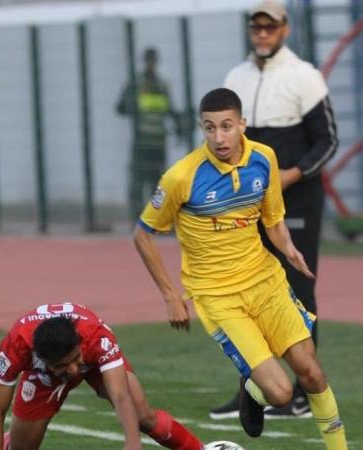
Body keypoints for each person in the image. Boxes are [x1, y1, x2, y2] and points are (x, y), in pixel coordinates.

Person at [133, 88, 346, 449]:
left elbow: (273, 221)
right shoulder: (181, 178)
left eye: (227, 126)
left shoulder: (264, 159)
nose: (219, 137)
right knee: (279, 394)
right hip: (219, 298)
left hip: (267, 281)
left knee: (311, 374)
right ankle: (254, 390)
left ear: (242, 124)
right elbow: (143, 236)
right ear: (202, 129)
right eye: (210, 128)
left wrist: (290, 251)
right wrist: (171, 295)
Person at [212, 0, 338, 420]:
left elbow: (328, 141)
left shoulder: (305, 77)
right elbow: (226, 140)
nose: (262, 34)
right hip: (246, 207)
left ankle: (303, 392)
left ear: (285, 29)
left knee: (297, 291)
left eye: (270, 27)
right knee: (242, 293)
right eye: (256, 28)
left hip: (296, 201)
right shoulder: (237, 77)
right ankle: (252, 390)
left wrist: (290, 175)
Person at [0, 302, 204, 450]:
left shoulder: (96, 337)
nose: (72, 370)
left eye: (74, 358)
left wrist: (132, 441)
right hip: (44, 379)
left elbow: (120, 395)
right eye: (63, 365)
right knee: (22, 447)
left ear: (79, 343)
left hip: (93, 362)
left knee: (142, 415)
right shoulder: (15, 346)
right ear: (39, 357)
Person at [117, 47, 182, 223]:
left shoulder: (161, 86)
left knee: (157, 184)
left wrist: (179, 126)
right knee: (139, 183)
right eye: (149, 60)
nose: (150, 64)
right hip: (143, 141)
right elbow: (120, 107)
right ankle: (138, 220)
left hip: (157, 142)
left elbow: (171, 111)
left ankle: (156, 220)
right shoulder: (137, 85)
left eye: (152, 60)